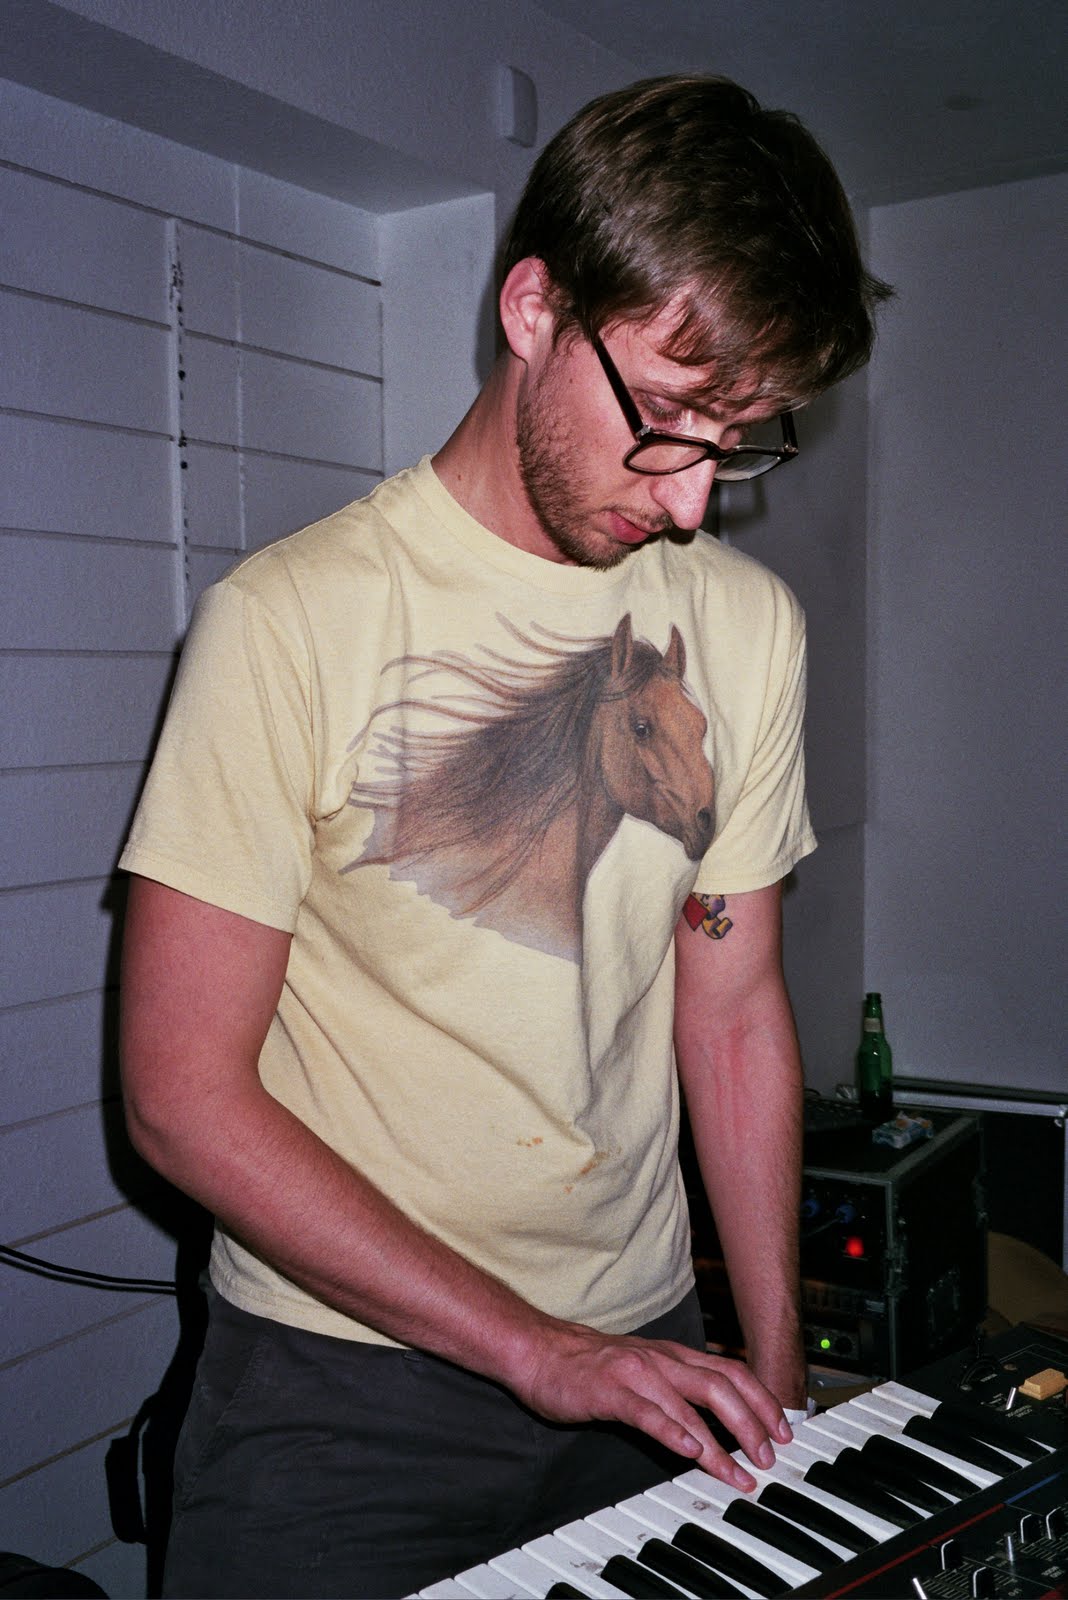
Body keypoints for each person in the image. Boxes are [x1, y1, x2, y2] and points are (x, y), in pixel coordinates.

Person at [118, 74, 891, 1598]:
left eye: (740, 442)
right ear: (534, 307)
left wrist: (776, 1356)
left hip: (652, 1350)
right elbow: (180, 1100)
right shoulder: (289, 622)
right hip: (340, 1395)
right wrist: (538, 1351)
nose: (692, 504)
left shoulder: (750, 628)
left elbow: (732, 1013)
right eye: (667, 423)